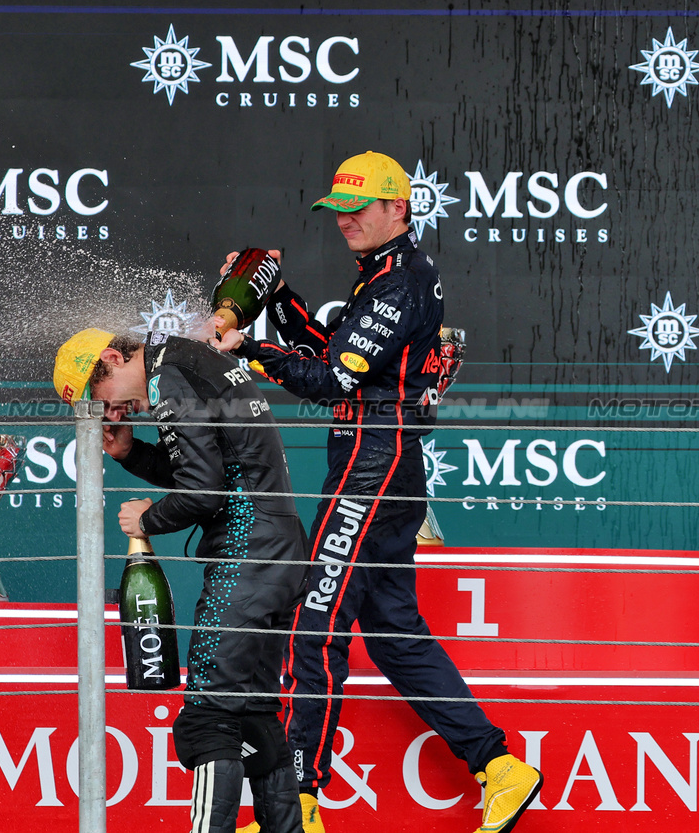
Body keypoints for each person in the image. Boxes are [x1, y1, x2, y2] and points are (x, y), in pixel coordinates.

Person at [211, 151, 542, 833]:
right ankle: (500, 767)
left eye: (359, 209)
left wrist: (246, 351)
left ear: (399, 208)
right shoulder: (384, 277)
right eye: (338, 211)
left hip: (372, 462)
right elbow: (333, 351)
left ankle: (296, 804)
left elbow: (330, 380)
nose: (346, 222)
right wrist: (274, 296)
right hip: (381, 461)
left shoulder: (401, 283)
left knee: (315, 622)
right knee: (393, 632)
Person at [53, 328, 310, 833]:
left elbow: (203, 492)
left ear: (111, 357)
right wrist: (132, 454)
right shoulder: (186, 359)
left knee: (209, 718)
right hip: (278, 552)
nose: (108, 412)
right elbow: (211, 463)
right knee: (254, 714)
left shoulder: (168, 376)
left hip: (246, 555)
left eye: (98, 398)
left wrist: (146, 520)